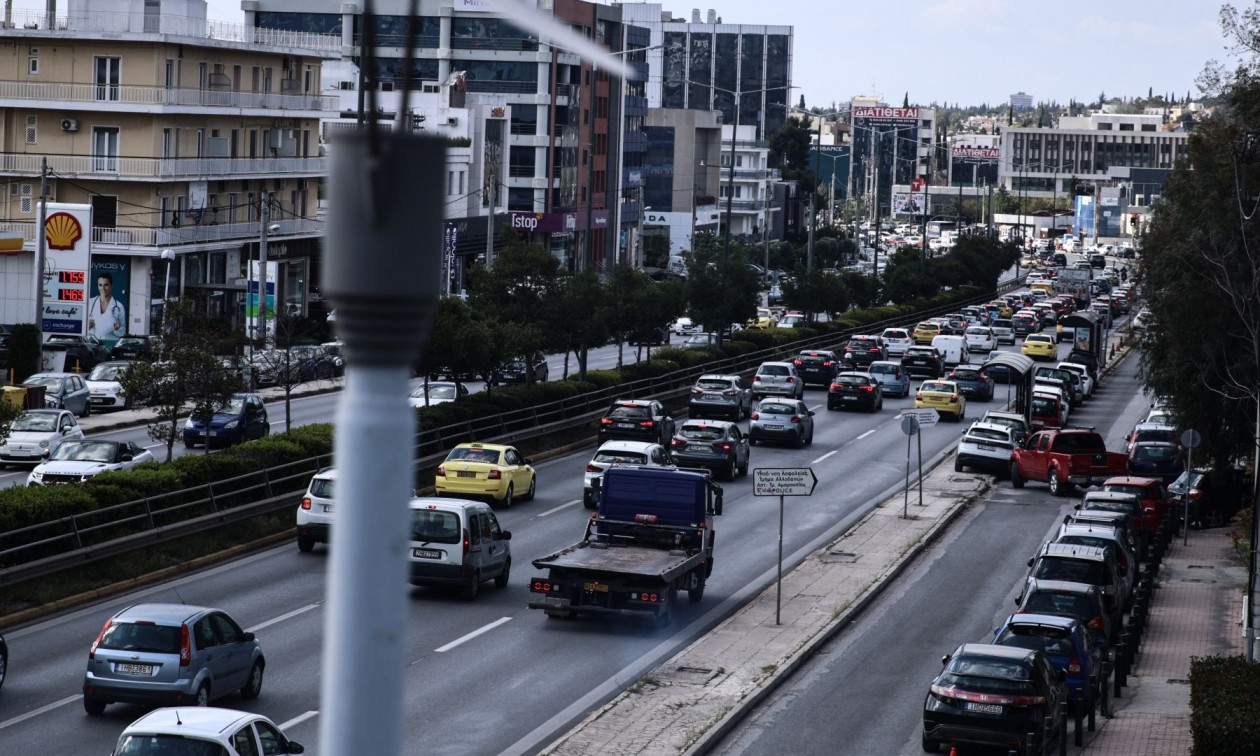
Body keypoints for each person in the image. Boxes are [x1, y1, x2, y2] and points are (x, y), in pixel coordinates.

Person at [87, 271, 126, 341]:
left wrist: (117, 329)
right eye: (100, 285)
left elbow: (122, 332)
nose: (103, 288)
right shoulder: (90, 303)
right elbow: (81, 327)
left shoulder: (119, 306)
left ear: (111, 285)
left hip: (110, 343)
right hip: (92, 343)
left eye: (106, 285)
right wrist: (86, 325)